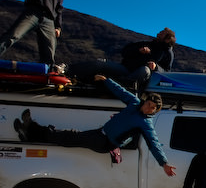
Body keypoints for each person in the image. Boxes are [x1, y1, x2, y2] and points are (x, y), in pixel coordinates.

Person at [13, 75, 176, 176]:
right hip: (101, 133)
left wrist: (164, 163)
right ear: (145, 101)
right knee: (70, 137)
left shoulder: (145, 123)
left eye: (153, 108)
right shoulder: (134, 102)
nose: (149, 108)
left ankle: (33, 130)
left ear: (155, 110)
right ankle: (32, 132)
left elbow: (154, 144)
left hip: (105, 142)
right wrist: (106, 80)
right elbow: (120, 91)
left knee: (70, 135)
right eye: (148, 104)